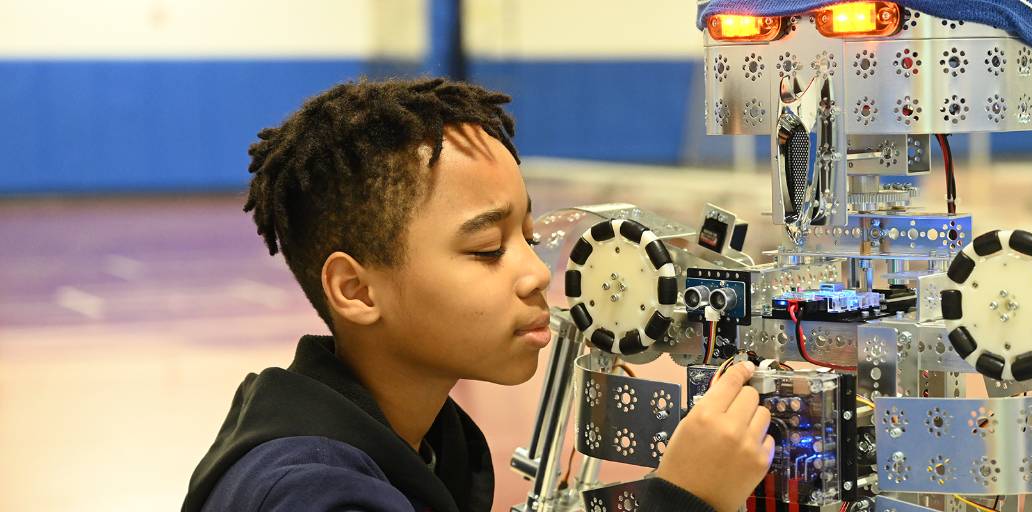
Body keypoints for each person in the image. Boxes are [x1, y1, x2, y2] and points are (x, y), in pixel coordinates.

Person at [182, 77, 775, 512]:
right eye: (488, 249)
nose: (536, 273)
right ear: (356, 290)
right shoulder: (307, 493)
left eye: (527, 235)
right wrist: (680, 500)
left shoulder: (427, 446)